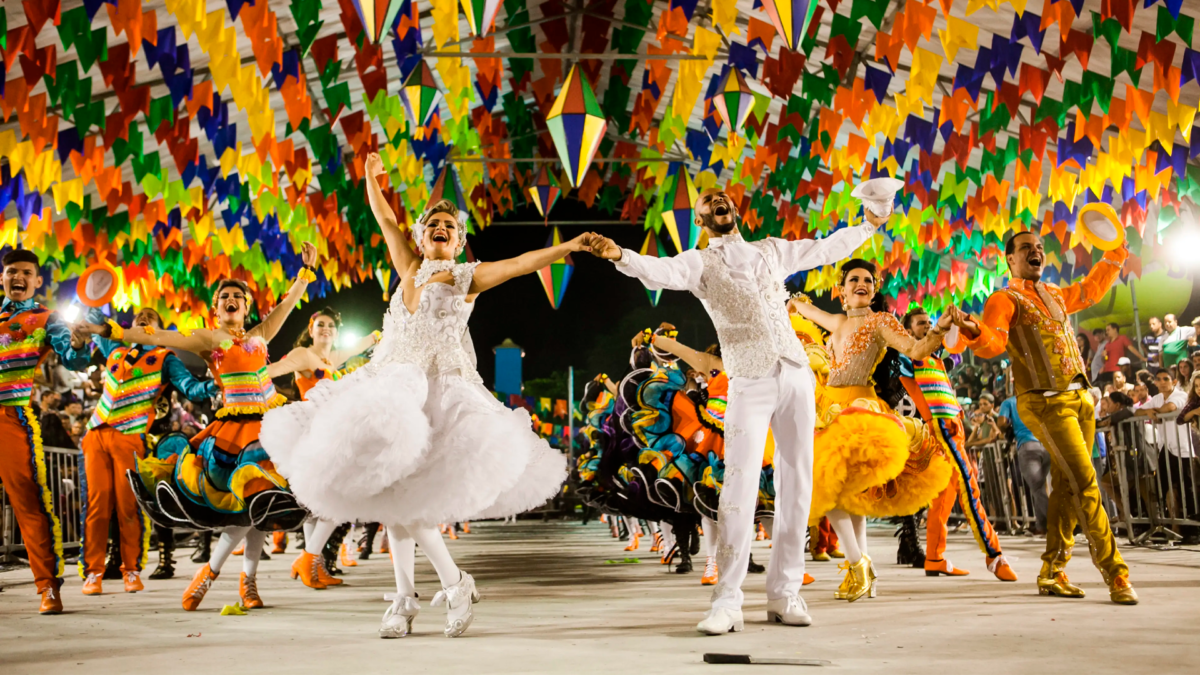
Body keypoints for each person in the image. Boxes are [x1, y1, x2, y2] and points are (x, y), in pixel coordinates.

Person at [260, 153, 569, 639]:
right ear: (422, 237)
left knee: (409, 504)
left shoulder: (467, 277)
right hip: (387, 384)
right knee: (391, 501)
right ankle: (412, 595)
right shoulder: (408, 267)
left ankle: (443, 585)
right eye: (432, 225)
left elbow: (521, 263)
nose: (440, 229)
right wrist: (369, 177)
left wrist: (569, 244)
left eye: (450, 226)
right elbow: (384, 217)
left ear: (460, 241)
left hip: (437, 395)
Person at [592, 186, 878, 634]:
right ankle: (727, 600)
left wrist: (868, 224)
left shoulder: (772, 251)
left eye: (722, 196)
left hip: (796, 374)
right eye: (707, 202)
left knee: (797, 484)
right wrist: (620, 255)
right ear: (701, 219)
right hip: (749, 379)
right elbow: (658, 271)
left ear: (735, 207)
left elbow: (824, 249)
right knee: (738, 487)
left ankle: (785, 593)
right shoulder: (699, 262)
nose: (716, 201)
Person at [75, 242, 320, 613]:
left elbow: (286, 306)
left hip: (270, 427)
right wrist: (104, 328)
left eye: (239, 296)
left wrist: (304, 274)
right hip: (234, 433)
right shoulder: (209, 338)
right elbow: (156, 337)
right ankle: (211, 572)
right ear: (216, 308)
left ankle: (247, 583)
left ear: (248, 306)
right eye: (225, 296)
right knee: (247, 507)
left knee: (259, 509)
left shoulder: (260, 334)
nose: (232, 299)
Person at [952, 229, 1137, 604]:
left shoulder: (1053, 294)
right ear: (1010, 259)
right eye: (1025, 248)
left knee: (1069, 485)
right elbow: (994, 341)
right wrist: (972, 328)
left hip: (1081, 399)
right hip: (1045, 403)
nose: (1036, 252)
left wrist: (1114, 253)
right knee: (1086, 481)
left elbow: (1089, 290)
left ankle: (1052, 570)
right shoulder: (1005, 298)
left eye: (1039, 248)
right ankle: (1117, 574)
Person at [790, 260, 957, 602]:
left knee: (832, 490)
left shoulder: (881, 322)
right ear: (841, 291)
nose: (861, 284)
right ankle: (867, 572)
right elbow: (801, 308)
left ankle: (857, 565)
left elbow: (915, 349)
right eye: (854, 280)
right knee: (851, 497)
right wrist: (790, 302)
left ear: (875, 289)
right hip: (828, 409)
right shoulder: (835, 321)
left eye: (868, 280)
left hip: (860, 409)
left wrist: (938, 329)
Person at [76, 307, 220, 596]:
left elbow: (190, 388)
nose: (143, 318)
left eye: (150, 317)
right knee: (96, 505)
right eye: (139, 317)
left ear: (159, 329)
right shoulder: (115, 349)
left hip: (130, 436)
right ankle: (92, 573)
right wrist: (95, 298)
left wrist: (218, 383)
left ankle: (131, 569)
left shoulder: (166, 359)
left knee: (128, 506)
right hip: (95, 433)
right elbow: (94, 321)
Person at [0, 249, 96, 614]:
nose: (18, 277)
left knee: (28, 502)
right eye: (11, 271)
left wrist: (75, 342)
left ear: (37, 281)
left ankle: (47, 586)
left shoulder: (45, 318)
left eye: (26, 272)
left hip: (10, 418)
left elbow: (71, 356)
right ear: (2, 277)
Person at [264, 307, 380, 590]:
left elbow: (359, 345)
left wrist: (380, 334)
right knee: (336, 501)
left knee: (318, 505)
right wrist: (270, 397)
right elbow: (269, 371)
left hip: (330, 432)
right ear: (311, 329)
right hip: (313, 432)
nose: (326, 329)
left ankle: (312, 568)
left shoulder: (331, 358)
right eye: (321, 325)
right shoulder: (304, 355)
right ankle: (308, 559)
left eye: (331, 325)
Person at [899, 308, 1015, 580]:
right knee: (969, 487)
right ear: (907, 330)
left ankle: (934, 557)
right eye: (920, 324)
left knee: (946, 493)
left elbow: (954, 342)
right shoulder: (908, 355)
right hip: (941, 427)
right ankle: (994, 555)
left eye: (929, 322)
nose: (927, 327)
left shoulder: (933, 356)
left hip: (952, 425)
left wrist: (959, 321)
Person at [1139, 369, 1195, 539]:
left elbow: (1170, 407)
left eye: (1166, 379)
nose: (1162, 382)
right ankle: (1172, 527)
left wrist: (1153, 411)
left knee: (1186, 490)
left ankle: (1191, 530)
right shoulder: (1156, 398)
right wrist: (1149, 412)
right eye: (1159, 379)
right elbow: (1137, 412)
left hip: (1182, 449)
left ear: (1174, 381)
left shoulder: (1181, 394)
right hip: (1165, 448)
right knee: (1165, 488)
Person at [998, 392, 1049, 535]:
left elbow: (1001, 423)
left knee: (1038, 489)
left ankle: (1056, 524)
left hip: (1028, 445)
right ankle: (1041, 526)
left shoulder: (1010, 402)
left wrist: (1008, 430)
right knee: (1042, 488)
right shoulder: (1039, 398)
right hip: (1048, 444)